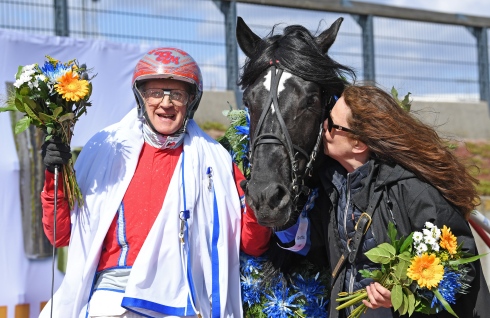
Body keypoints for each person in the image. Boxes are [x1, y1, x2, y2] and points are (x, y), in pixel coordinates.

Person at [39, 47, 270, 318]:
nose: (166, 103)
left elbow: (253, 245)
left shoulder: (218, 162)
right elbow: (59, 234)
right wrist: (53, 176)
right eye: (155, 92)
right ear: (140, 97)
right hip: (112, 300)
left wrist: (258, 202)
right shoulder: (102, 149)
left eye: (178, 94)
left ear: (192, 101)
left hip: (184, 302)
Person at [321, 85, 490, 318]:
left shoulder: (413, 189)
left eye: (331, 123)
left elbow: (460, 267)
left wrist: (405, 295)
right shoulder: (336, 185)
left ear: (358, 143)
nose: (324, 127)